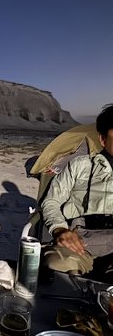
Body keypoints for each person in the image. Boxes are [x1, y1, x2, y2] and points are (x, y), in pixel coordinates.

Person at [41, 104, 113, 279]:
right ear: (103, 139)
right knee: (58, 265)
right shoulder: (80, 165)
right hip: (79, 239)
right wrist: (59, 229)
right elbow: (51, 201)